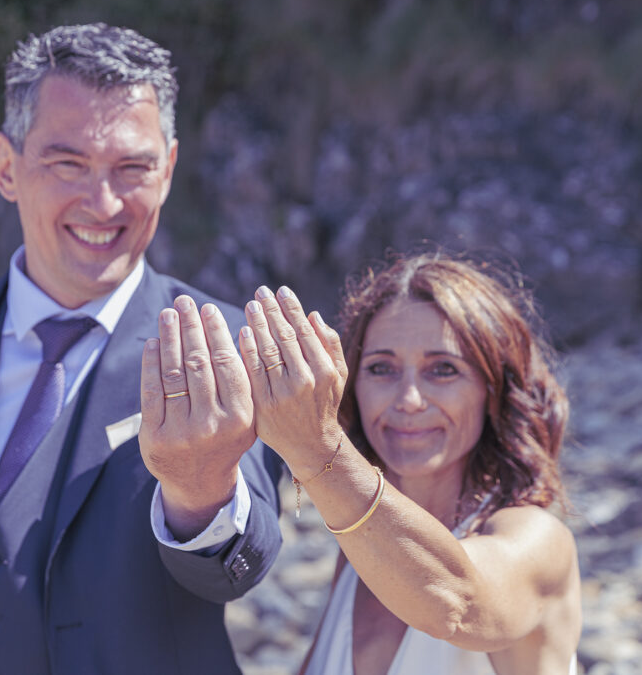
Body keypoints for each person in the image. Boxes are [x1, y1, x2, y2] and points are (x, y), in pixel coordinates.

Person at [0, 23, 283, 675]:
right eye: (68, 164)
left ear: (170, 170)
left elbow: (238, 569)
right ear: (6, 167)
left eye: (133, 168)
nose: (102, 204)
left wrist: (200, 489)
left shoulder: (225, 347)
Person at [233, 252, 581, 674]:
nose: (408, 400)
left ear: (493, 392)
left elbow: (453, 603)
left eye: (443, 370)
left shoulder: (540, 540)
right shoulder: (361, 552)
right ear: (353, 384)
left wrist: (316, 447)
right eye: (382, 368)